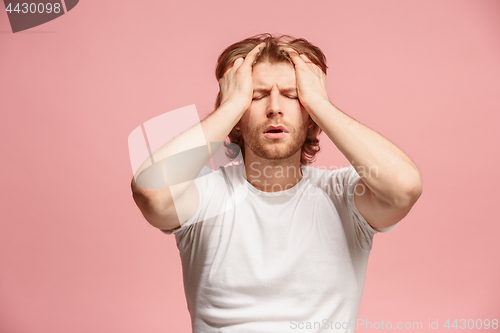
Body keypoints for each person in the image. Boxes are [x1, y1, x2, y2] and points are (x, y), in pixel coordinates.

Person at [130, 33, 423, 333]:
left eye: (292, 95)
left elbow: (404, 187)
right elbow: (151, 194)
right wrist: (230, 108)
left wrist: (319, 103)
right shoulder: (205, 195)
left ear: (310, 115)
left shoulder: (344, 196)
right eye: (256, 96)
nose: (274, 108)